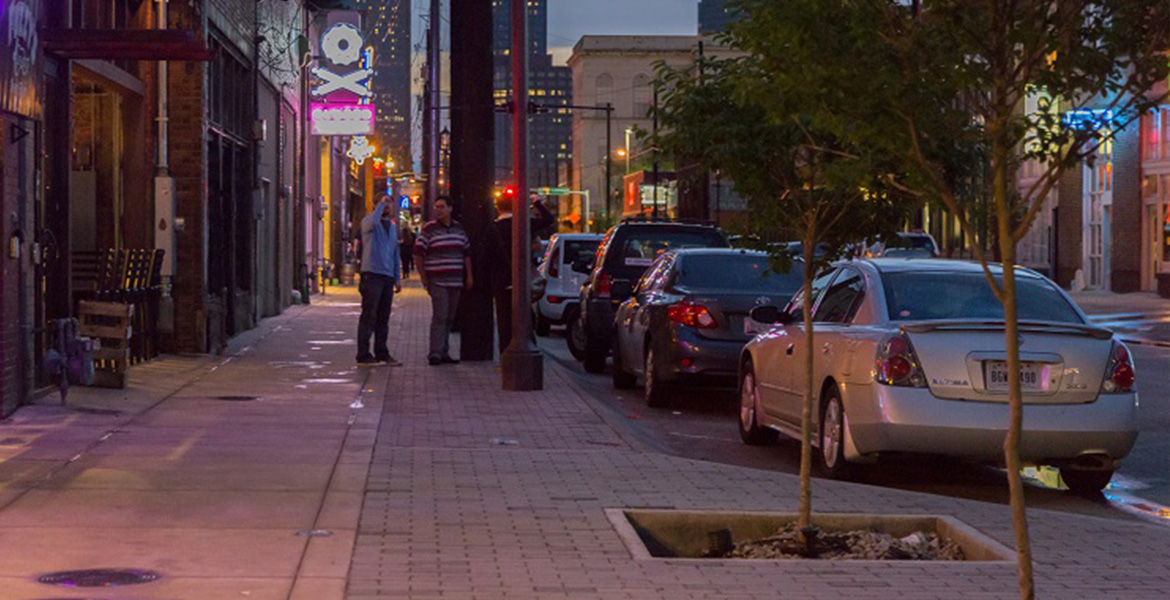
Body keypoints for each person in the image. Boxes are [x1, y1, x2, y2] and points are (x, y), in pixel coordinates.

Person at [487, 193, 555, 353]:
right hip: (522, 278)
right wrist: (537, 202)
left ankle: (506, 355)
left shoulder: (493, 228)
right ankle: (527, 351)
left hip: (502, 281)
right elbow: (548, 219)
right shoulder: (524, 224)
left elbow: (487, 257)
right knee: (524, 318)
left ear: (497, 207)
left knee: (504, 321)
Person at [414, 196, 473, 366]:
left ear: (450, 208)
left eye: (442, 207)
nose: (438, 210)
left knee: (450, 317)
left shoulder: (459, 229)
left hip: (455, 280)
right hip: (437, 280)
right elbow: (418, 252)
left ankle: (444, 350)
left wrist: (469, 276)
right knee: (440, 315)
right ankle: (435, 352)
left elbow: (466, 253)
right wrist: (424, 276)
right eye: (436, 207)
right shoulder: (429, 229)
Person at [356, 197, 403, 366]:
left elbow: (395, 254)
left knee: (383, 317)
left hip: (387, 277)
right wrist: (380, 206)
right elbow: (374, 221)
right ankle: (363, 354)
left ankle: (382, 353)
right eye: (384, 202)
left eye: (390, 202)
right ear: (376, 205)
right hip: (372, 275)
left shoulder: (392, 227)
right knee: (369, 315)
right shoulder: (369, 222)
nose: (387, 205)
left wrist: (397, 277)